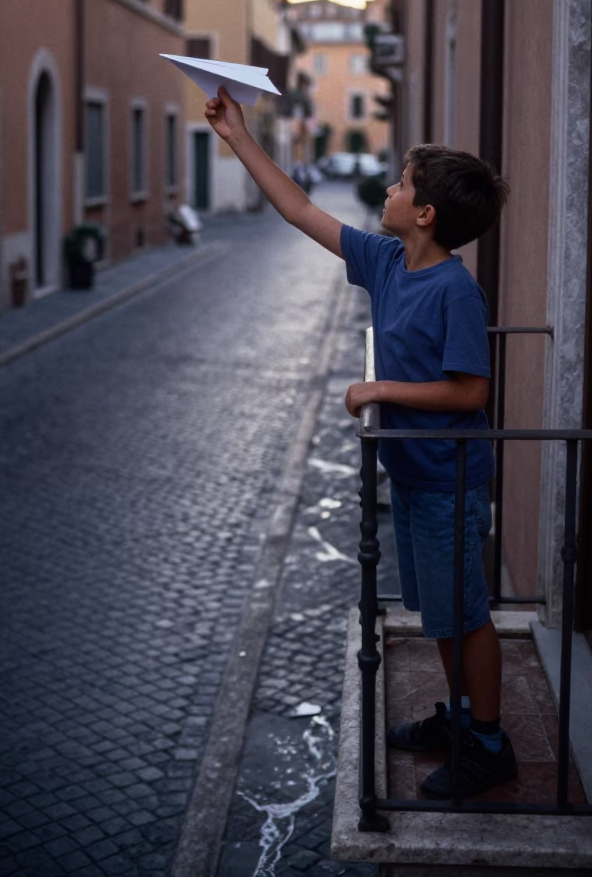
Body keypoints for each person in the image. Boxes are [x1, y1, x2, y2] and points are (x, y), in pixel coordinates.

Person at [204, 85, 514, 797]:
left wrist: (379, 390)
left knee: (466, 614)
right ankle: (463, 717)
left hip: (450, 479)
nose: (389, 188)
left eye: (402, 184)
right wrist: (239, 137)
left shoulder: (455, 292)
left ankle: (491, 746)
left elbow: (472, 392)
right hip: (414, 475)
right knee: (440, 610)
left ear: (426, 214)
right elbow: (299, 209)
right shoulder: (386, 261)